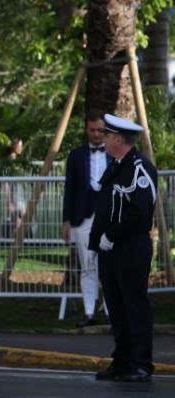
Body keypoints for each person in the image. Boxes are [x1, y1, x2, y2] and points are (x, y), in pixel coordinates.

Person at [90, 114, 157, 382]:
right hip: (111, 250)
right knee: (117, 308)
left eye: (106, 135)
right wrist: (100, 240)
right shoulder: (117, 166)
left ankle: (140, 364)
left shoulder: (140, 168)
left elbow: (140, 213)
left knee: (134, 306)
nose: (102, 139)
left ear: (118, 139)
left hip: (130, 248)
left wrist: (112, 234)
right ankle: (122, 361)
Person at [62, 112, 111, 327]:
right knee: (87, 265)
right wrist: (66, 221)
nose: (97, 134)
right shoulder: (76, 155)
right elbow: (69, 190)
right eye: (92, 130)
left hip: (109, 218)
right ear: (87, 130)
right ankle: (89, 312)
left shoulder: (115, 153)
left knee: (109, 266)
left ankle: (112, 312)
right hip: (83, 217)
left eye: (100, 130)